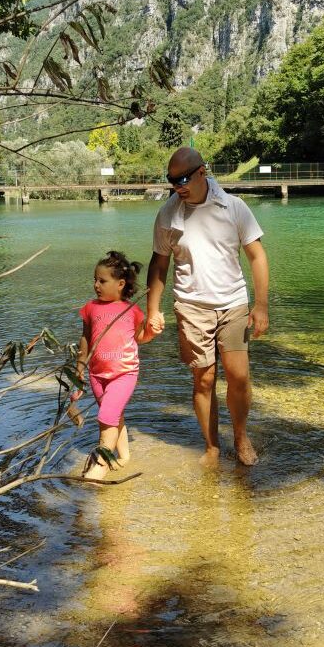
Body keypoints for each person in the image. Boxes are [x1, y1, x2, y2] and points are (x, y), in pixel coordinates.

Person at [146, 147, 269, 466]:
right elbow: (159, 265)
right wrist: (153, 308)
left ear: (203, 172)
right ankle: (212, 446)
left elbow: (257, 256)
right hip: (191, 306)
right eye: (172, 181)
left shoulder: (234, 208)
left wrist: (262, 305)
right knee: (203, 379)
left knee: (238, 376)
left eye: (183, 178)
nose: (178, 186)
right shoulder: (168, 215)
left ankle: (241, 438)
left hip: (233, 303)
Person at [72, 250, 159, 480]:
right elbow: (85, 338)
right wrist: (79, 368)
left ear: (120, 284)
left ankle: (99, 465)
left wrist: (153, 330)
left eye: (102, 281)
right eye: (95, 279)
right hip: (97, 374)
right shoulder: (90, 308)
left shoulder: (132, 310)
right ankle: (124, 456)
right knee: (113, 414)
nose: (96, 285)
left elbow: (140, 337)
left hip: (124, 373)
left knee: (106, 416)